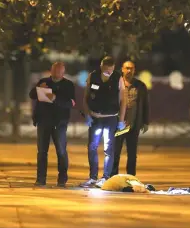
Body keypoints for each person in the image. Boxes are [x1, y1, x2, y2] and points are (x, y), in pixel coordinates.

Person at [80, 56, 127, 188]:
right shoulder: (93, 76)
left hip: (111, 118)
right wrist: (87, 114)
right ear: (101, 67)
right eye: (106, 70)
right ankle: (92, 177)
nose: (109, 73)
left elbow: (123, 100)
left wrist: (121, 120)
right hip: (95, 118)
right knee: (92, 147)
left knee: (108, 149)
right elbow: (86, 97)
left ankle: (105, 177)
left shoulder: (118, 78)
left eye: (111, 70)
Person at [29, 62, 75, 187]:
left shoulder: (68, 85)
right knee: (42, 152)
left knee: (61, 151)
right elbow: (32, 95)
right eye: (54, 70)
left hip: (59, 123)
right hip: (43, 121)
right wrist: (39, 89)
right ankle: (40, 179)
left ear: (63, 72)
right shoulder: (44, 81)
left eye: (59, 71)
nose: (56, 73)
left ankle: (62, 179)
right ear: (51, 70)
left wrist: (55, 98)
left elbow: (71, 103)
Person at [111, 61, 149, 177]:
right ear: (122, 69)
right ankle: (113, 176)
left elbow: (145, 105)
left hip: (133, 124)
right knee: (115, 152)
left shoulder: (140, 86)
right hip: (118, 125)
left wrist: (145, 122)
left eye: (131, 68)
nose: (129, 71)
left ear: (134, 70)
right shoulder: (115, 84)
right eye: (127, 68)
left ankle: (131, 177)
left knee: (132, 154)